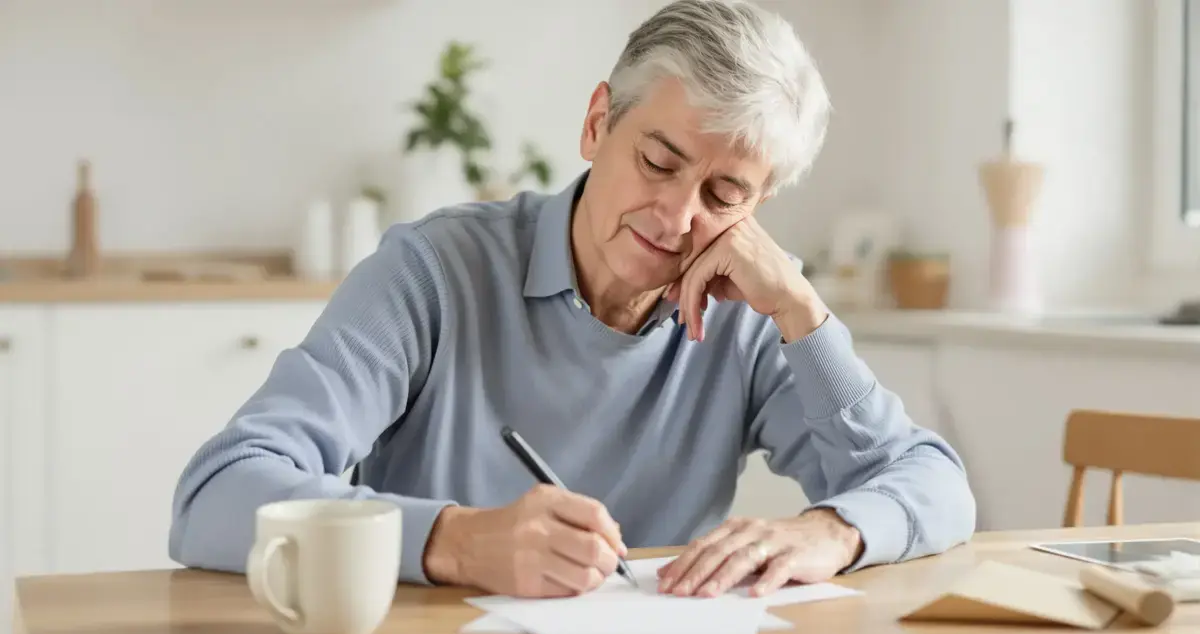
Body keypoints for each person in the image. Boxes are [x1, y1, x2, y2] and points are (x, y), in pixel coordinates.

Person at [168, 0, 975, 600]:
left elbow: (934, 484)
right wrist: (453, 540)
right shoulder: (433, 269)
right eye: (658, 161)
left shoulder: (750, 312)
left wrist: (829, 518)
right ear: (598, 124)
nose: (677, 215)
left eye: (724, 193)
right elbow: (217, 494)